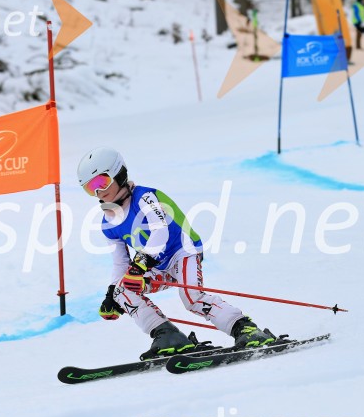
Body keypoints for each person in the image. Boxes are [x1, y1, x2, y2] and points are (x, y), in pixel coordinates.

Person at [77, 147, 284, 361]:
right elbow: (120, 262)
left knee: (191, 297)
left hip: (182, 252)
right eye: (89, 188)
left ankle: (246, 330)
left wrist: (139, 267)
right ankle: (168, 335)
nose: (98, 192)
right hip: (155, 266)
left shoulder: (144, 197)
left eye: (101, 182)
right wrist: (111, 294)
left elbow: (161, 231)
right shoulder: (108, 223)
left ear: (119, 174)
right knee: (123, 291)